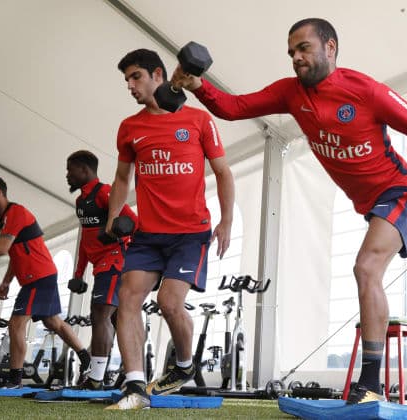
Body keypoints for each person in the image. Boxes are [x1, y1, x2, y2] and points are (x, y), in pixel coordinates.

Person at [172, 18, 407, 404]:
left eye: (304, 48)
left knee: (366, 267)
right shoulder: (289, 93)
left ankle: (371, 383)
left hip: (399, 189)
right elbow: (235, 108)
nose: (296, 58)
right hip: (372, 204)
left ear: (330, 48)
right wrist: (197, 85)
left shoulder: (366, 91)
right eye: (291, 52)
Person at [104, 49, 235, 410]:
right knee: (125, 301)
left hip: (190, 233)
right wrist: (113, 218)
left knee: (169, 303)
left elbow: (223, 172)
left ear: (158, 75)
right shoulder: (130, 127)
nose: (130, 86)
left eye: (135, 77)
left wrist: (227, 220)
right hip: (147, 234)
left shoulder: (199, 120)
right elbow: (120, 177)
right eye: (127, 80)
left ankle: (182, 366)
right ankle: (135, 387)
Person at [0, 175, 90, 388]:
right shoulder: (5, 218)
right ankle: (85, 357)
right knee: (52, 321)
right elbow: (14, 251)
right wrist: (6, 281)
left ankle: (15, 380)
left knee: (16, 324)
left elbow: (1, 248)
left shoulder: (16, 213)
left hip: (39, 276)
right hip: (39, 276)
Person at [66, 150, 139, 390]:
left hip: (116, 261)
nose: (67, 175)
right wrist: (78, 273)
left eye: (71, 170)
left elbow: (133, 223)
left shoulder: (105, 193)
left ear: (85, 170)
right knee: (119, 319)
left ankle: (96, 379)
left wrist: (119, 234)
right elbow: (86, 241)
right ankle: (131, 374)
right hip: (99, 265)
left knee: (99, 314)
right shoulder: (80, 202)